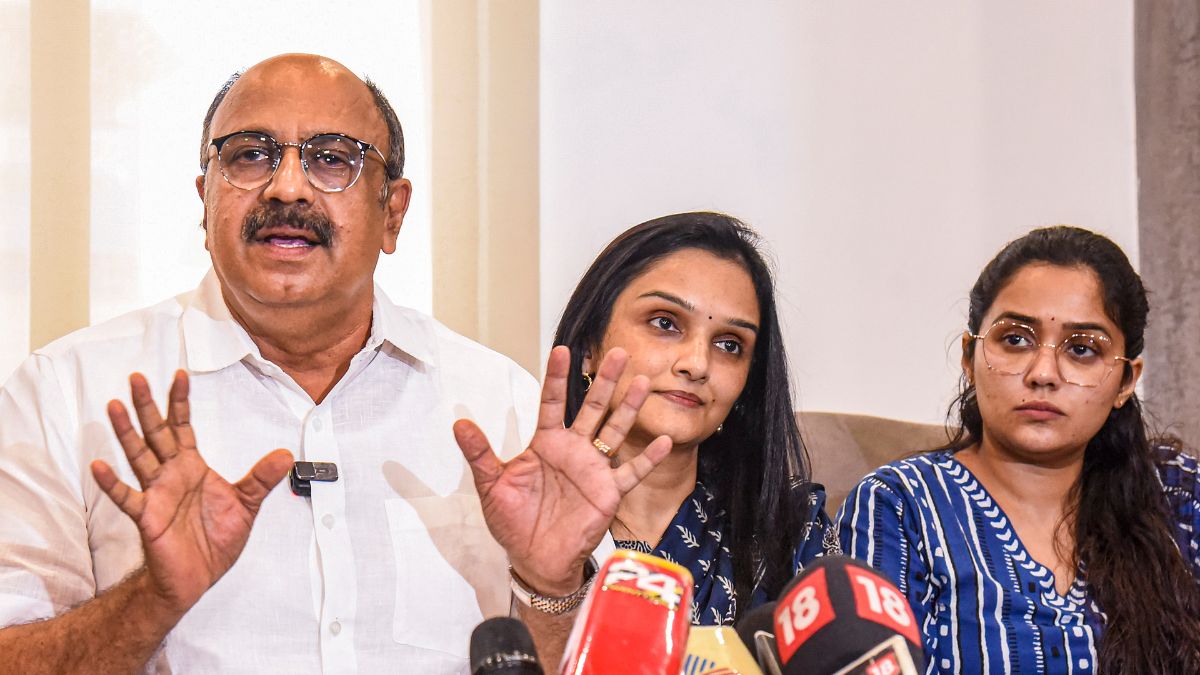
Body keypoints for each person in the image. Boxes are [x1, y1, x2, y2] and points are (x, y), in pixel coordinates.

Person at [0, 53, 581, 673]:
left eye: (332, 159)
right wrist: (151, 599)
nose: (286, 187)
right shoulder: (69, 392)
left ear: (392, 212)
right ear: (205, 202)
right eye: (250, 155)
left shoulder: (501, 403)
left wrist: (551, 584)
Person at [454, 212, 839, 658]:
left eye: (730, 344)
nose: (697, 364)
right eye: (665, 322)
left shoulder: (790, 528)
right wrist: (547, 583)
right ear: (590, 347)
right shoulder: (515, 513)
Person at [838, 226, 1200, 673]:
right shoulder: (901, 506)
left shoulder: (1177, 494)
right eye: (1015, 340)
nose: (1043, 373)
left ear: (1126, 381)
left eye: (1082, 349)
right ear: (969, 358)